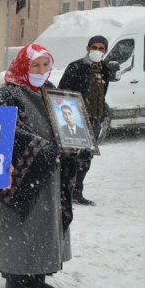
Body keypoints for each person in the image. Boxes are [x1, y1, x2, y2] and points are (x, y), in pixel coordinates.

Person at [0, 43, 73, 288]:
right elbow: (9, 131)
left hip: (51, 174)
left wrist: (72, 139)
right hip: (25, 175)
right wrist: (45, 150)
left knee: (47, 226)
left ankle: (38, 275)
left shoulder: (50, 90)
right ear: (23, 65)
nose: (40, 70)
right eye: (34, 64)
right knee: (23, 227)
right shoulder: (9, 93)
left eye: (45, 64)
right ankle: (17, 277)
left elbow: (66, 122)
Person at [58, 35, 112, 206]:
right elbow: (63, 91)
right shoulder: (76, 67)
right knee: (71, 157)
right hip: (76, 119)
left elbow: (102, 93)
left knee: (86, 158)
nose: (97, 51)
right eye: (94, 47)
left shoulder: (105, 70)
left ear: (105, 50)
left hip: (94, 118)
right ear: (87, 48)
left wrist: (101, 115)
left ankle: (77, 192)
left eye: (101, 48)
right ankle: (64, 191)